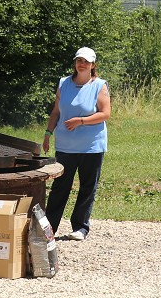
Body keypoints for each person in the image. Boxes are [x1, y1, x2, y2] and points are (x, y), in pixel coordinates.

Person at [40, 46, 111, 241]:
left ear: (93, 65)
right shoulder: (64, 83)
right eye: (79, 60)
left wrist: (80, 121)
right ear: (75, 62)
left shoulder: (99, 85)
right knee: (60, 186)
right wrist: (48, 133)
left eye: (86, 61)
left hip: (91, 145)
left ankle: (80, 227)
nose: (82, 64)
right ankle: (49, 228)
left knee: (87, 186)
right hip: (65, 145)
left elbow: (105, 113)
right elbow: (56, 111)